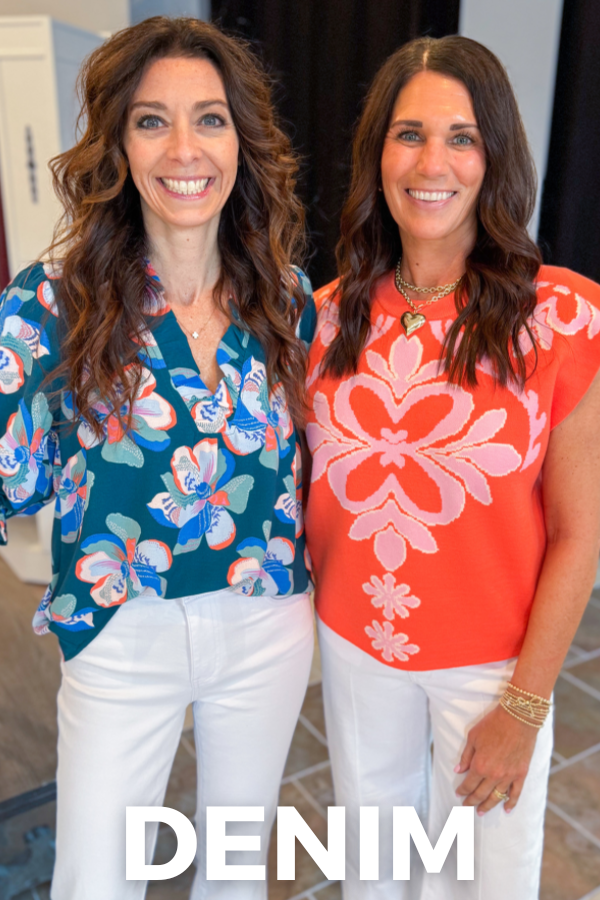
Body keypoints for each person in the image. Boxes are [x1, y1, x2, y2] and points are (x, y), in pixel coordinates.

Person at [0, 17, 316, 900]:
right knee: (94, 881)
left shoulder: (286, 299)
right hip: (120, 630)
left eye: (210, 119)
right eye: (152, 120)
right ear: (117, 143)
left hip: (265, 624)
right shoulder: (51, 305)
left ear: (241, 142)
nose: (186, 147)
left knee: (234, 872)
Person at [304, 35, 600, 899]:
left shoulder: (562, 317)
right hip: (357, 648)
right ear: (377, 153)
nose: (432, 161)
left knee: (485, 882)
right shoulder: (323, 320)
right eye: (409, 134)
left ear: (494, 155)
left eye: (462, 137)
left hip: (492, 667)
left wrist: (523, 708)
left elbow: (581, 535)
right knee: (377, 872)